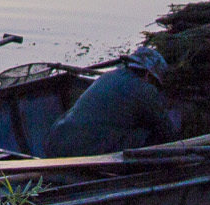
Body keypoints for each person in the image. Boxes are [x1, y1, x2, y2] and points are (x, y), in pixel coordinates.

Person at [40, 48, 180, 158]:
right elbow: (167, 134)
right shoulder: (145, 89)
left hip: (54, 143)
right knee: (147, 133)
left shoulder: (107, 76)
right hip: (80, 154)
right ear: (148, 75)